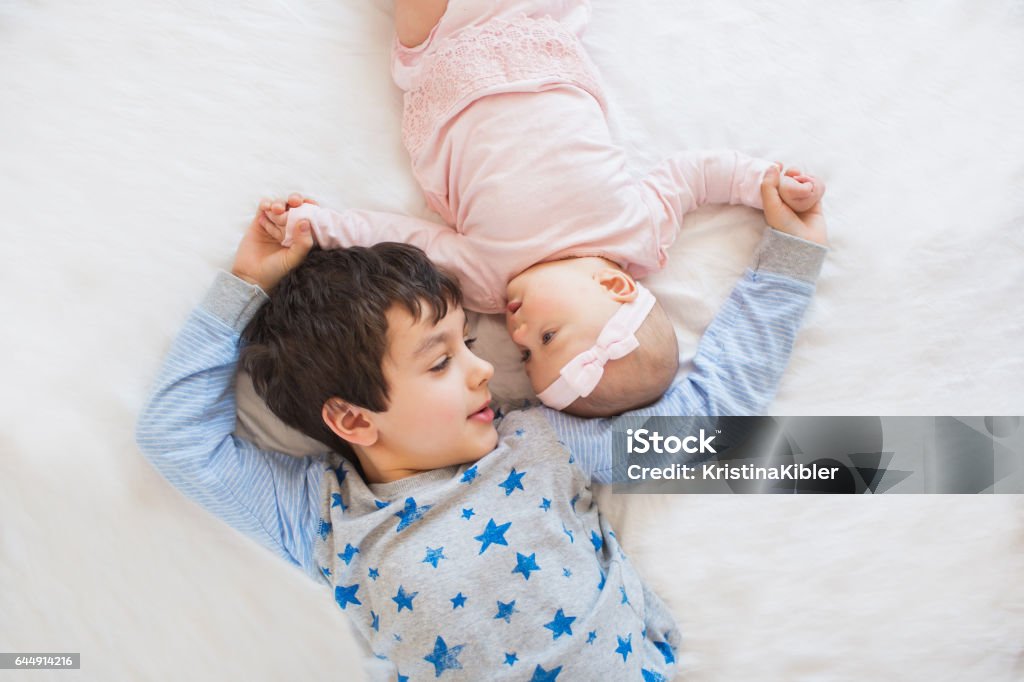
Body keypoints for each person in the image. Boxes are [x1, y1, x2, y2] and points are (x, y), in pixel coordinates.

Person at [136, 165, 828, 679]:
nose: (483, 370)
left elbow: (699, 430)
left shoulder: (541, 442)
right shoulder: (318, 517)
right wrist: (245, 286)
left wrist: (789, 260)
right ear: (350, 417)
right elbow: (175, 438)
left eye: (470, 343)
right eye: (440, 362)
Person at [258, 0, 826, 417]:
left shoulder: (485, 280)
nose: (519, 329)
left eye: (525, 351)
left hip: (446, 60)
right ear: (618, 288)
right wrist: (763, 182)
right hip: (538, 30)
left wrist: (318, 224)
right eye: (548, 336)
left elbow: (401, 239)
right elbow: (694, 177)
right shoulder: (637, 235)